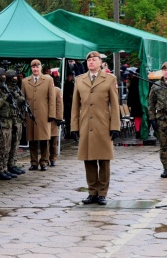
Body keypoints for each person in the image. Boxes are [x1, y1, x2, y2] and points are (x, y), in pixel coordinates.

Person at [70, 51, 120, 206]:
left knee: (104, 160)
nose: (91, 62)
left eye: (94, 60)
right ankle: (92, 191)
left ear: (100, 62)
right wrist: (74, 126)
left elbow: (114, 105)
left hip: (103, 124)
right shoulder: (80, 80)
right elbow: (75, 106)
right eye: (89, 60)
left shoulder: (110, 79)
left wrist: (115, 126)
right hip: (86, 125)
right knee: (89, 159)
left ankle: (102, 193)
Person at [21, 59, 56, 171]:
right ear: (31, 68)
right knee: (32, 140)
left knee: (44, 139)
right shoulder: (25, 81)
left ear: (41, 67)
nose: (35, 69)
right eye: (33, 67)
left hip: (44, 114)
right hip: (30, 115)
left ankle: (44, 161)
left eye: (37, 67)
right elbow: (23, 99)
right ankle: (34, 162)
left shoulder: (48, 80)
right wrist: (23, 114)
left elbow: (52, 99)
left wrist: (52, 114)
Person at [6, 69, 27, 175]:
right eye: (14, 77)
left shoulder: (15, 89)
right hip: (7, 120)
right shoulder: (5, 90)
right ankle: (4, 167)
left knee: (15, 143)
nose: (16, 79)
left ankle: (12, 164)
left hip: (16, 119)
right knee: (6, 146)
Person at [49, 76, 64, 166]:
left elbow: (59, 105)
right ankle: (45, 158)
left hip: (54, 120)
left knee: (53, 141)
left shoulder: (57, 90)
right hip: (45, 119)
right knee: (45, 141)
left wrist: (59, 118)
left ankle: (53, 158)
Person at [125, 68, 143, 139]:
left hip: (135, 103)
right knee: (142, 117)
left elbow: (130, 93)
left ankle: (137, 131)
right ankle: (141, 131)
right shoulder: (144, 82)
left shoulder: (133, 81)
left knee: (137, 118)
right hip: (141, 103)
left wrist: (129, 104)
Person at [63, 71, 75, 139]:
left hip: (71, 104)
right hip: (67, 104)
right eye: (69, 76)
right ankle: (68, 132)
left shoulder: (73, 84)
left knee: (72, 119)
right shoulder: (65, 84)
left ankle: (72, 132)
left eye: (71, 76)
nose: (70, 77)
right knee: (67, 119)